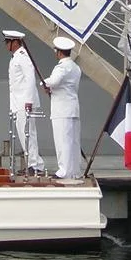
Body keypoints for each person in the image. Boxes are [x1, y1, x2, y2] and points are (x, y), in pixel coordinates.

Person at [3, 30, 45, 173]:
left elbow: (30, 78)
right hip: (18, 102)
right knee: (23, 133)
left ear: (15, 42)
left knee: (28, 133)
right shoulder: (16, 57)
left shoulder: (22, 56)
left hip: (25, 102)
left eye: (8, 42)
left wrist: (29, 101)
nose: (6, 45)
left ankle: (35, 165)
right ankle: (32, 163)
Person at [44, 36, 82, 179]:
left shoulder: (61, 67)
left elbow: (54, 81)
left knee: (62, 141)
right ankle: (75, 171)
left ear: (59, 52)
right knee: (73, 142)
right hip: (73, 108)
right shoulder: (75, 67)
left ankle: (64, 171)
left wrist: (44, 84)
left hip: (61, 110)